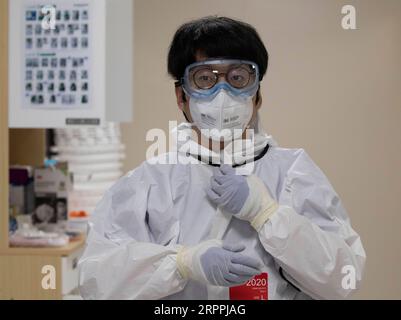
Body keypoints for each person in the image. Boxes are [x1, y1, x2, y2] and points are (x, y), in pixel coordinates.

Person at [78, 16, 366, 300]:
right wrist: (182, 264)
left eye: (238, 78)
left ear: (258, 95)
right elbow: (98, 282)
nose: (222, 92)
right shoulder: (150, 182)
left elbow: (342, 279)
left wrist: (266, 213)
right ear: (181, 96)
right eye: (204, 79)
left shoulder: (294, 173)